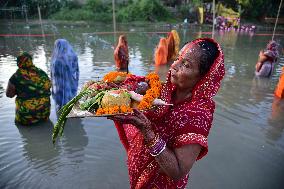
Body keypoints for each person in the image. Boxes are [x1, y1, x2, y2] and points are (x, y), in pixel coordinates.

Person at [109, 38, 225, 188]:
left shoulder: (199, 114)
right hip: (139, 177)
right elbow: (144, 85)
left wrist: (147, 130)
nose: (175, 65)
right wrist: (126, 89)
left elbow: (178, 171)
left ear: (203, 78)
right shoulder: (168, 91)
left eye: (186, 65)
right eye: (178, 59)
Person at [6, 52, 51, 125]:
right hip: (44, 113)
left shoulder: (16, 76)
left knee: (19, 123)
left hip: (26, 118)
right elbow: (48, 87)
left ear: (19, 62)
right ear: (30, 61)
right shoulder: (42, 73)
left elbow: (9, 95)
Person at [51, 39, 79, 110]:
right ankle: (71, 107)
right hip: (71, 80)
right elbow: (76, 70)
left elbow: (54, 73)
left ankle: (63, 110)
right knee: (70, 95)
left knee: (62, 99)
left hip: (60, 83)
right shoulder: (73, 56)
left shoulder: (56, 58)